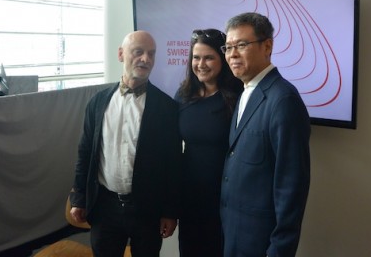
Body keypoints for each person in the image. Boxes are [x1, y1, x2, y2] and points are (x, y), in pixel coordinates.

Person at [69, 31, 181, 257]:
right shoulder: (98, 102)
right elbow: (86, 153)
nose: (145, 59)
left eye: (151, 54)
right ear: (121, 54)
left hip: (147, 209)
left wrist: (170, 211)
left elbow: (173, 164)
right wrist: (79, 197)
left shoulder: (166, 107)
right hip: (105, 207)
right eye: (138, 52)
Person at [219, 12, 311, 257]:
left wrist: (279, 250)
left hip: (261, 242)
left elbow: (292, 187)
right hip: (235, 231)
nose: (232, 54)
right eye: (228, 47)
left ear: (267, 46)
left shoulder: (284, 100)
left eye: (241, 45)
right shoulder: (246, 92)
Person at [174, 28, 243, 257]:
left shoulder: (238, 97)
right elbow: (171, 149)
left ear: (222, 59)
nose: (200, 64)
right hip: (190, 199)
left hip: (226, 200)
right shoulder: (183, 95)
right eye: (196, 57)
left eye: (208, 57)